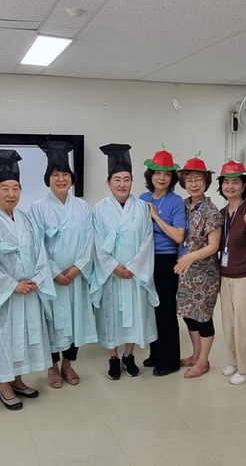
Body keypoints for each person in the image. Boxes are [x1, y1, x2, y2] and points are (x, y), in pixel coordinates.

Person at [0, 149, 55, 410]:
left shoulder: (27, 219)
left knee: (24, 338)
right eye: (5, 188)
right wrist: (12, 285)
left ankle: (18, 380)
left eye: (16, 188)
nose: (11, 194)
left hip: (28, 290)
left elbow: (40, 253)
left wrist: (37, 279)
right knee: (4, 340)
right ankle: (5, 387)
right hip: (5, 296)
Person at [30, 141, 98, 388]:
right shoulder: (36, 208)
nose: (61, 179)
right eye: (56, 175)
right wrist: (55, 272)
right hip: (52, 278)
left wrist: (78, 267)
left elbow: (89, 239)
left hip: (76, 276)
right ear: (48, 178)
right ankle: (52, 368)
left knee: (75, 321)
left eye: (65, 175)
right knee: (51, 322)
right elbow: (36, 245)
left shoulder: (82, 207)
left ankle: (69, 365)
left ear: (72, 178)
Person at [91, 143, 158, 380]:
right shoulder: (99, 209)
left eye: (127, 179)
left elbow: (147, 240)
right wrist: (113, 267)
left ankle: (128, 356)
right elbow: (96, 242)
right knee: (111, 316)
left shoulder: (142, 208)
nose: (122, 184)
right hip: (111, 274)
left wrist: (133, 267)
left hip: (134, 273)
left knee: (133, 316)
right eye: (117, 179)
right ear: (109, 182)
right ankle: (112, 357)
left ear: (132, 181)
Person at [139, 146, 186, 376]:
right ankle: (155, 354)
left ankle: (170, 361)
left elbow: (179, 236)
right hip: (145, 259)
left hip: (166, 260)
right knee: (152, 308)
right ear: (150, 176)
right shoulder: (142, 198)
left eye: (166, 174)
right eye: (157, 173)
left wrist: (156, 217)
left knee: (166, 309)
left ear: (172, 178)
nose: (161, 177)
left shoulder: (176, 201)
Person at [216, 160, 246, 385]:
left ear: (244, 185)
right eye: (226, 182)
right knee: (230, 324)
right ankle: (235, 362)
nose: (230, 186)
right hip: (226, 275)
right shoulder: (222, 212)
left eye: (235, 182)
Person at [175, 154, 223, 378]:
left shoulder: (211, 211)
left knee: (203, 317)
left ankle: (204, 361)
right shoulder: (182, 205)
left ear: (206, 182)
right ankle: (195, 355)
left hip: (204, 273)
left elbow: (213, 246)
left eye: (198, 180)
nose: (193, 184)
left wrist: (190, 257)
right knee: (188, 315)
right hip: (185, 272)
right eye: (189, 180)